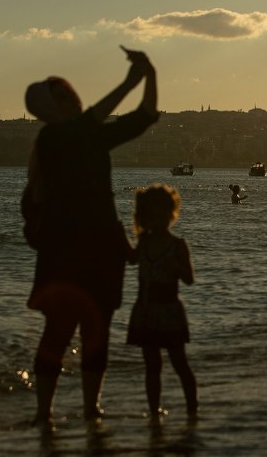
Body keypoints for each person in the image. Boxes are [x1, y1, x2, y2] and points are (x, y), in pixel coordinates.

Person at [22, 45, 158, 426]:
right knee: (58, 330)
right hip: (66, 253)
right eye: (62, 95)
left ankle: (89, 409)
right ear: (48, 108)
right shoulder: (52, 139)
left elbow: (144, 117)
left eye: (68, 91)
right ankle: (44, 413)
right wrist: (131, 80)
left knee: (97, 331)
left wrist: (150, 75)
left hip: (99, 252)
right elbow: (91, 121)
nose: (72, 96)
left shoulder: (86, 136)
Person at [126, 184, 198, 417]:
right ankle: (154, 411)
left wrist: (175, 266)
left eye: (162, 214)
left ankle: (192, 409)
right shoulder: (144, 242)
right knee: (152, 366)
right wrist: (117, 233)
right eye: (152, 215)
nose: (157, 220)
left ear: (171, 214)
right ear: (145, 217)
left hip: (169, 311)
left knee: (179, 363)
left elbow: (189, 279)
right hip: (146, 310)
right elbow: (132, 259)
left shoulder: (177, 245)